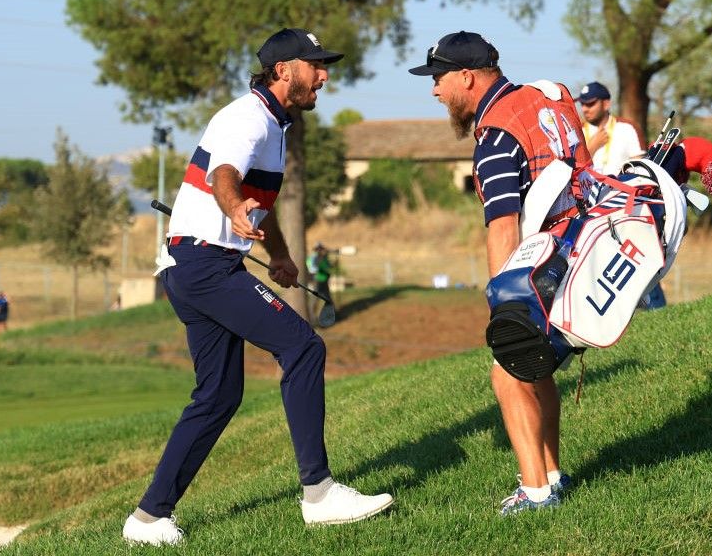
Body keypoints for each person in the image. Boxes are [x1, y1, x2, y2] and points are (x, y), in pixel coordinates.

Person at [122, 28, 393, 546]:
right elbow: (225, 175)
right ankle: (318, 494)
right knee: (303, 346)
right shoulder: (247, 118)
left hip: (192, 264)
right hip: (204, 265)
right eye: (315, 66)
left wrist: (282, 255)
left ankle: (149, 518)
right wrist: (231, 208)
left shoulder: (274, 123)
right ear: (283, 70)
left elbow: (250, 193)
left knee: (218, 395)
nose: (324, 75)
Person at [409, 31, 593, 515]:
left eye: (438, 79)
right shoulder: (541, 98)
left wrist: (505, 304)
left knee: (509, 369)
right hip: (584, 245)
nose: (434, 91)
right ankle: (553, 475)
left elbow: (503, 228)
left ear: (466, 77)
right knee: (538, 365)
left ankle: (535, 493)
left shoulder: (495, 134)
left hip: (546, 261)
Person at [576, 81, 646, 177]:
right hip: (586, 191)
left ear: (606, 104)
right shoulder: (575, 132)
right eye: (582, 104)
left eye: (590, 104)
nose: (584, 109)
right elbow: (572, 173)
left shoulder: (628, 128)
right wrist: (591, 149)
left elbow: (641, 170)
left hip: (622, 190)